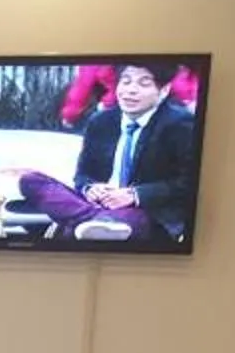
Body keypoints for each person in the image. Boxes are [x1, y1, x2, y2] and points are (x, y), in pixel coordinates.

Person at [17, 59, 201, 243]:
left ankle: (92, 223)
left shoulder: (180, 124)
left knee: (128, 221)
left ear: (164, 90)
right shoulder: (101, 121)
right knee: (31, 181)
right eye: (126, 81)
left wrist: (133, 195)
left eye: (143, 83)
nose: (131, 90)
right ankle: (97, 221)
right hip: (98, 204)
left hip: (143, 211)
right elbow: (82, 175)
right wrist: (91, 188)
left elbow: (187, 182)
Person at [57, 61, 199, 128]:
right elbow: (82, 86)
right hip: (115, 104)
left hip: (165, 102)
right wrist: (69, 114)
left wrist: (190, 100)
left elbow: (176, 79)